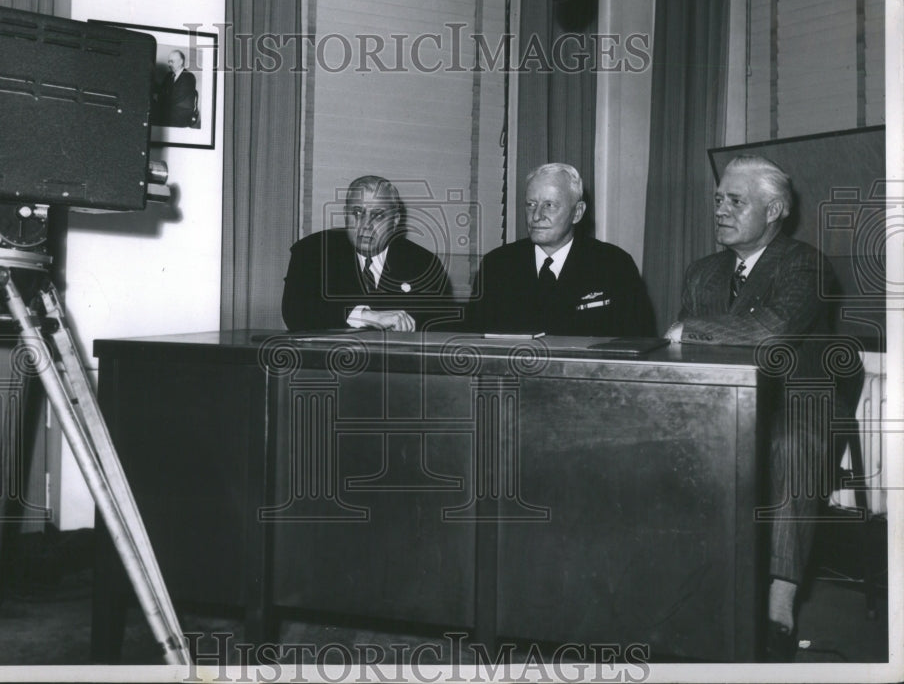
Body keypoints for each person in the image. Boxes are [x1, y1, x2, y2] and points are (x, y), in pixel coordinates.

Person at [664, 154, 850, 661]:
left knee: (789, 447)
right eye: (718, 199)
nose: (720, 209)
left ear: (773, 211)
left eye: (735, 201)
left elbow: (772, 332)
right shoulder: (702, 272)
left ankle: (779, 607)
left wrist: (693, 328)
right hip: (724, 403)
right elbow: (679, 349)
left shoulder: (805, 263)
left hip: (797, 402)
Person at [468, 162, 654, 336]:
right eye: (531, 204)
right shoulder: (497, 265)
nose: (536, 216)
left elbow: (637, 343)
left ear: (577, 213)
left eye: (549, 205)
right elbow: (473, 342)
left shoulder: (614, 265)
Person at [282, 175, 454, 331]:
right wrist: (365, 316)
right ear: (345, 215)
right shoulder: (312, 252)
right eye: (357, 213)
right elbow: (295, 314)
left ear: (394, 221)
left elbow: (442, 324)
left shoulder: (423, 263)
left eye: (378, 216)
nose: (366, 225)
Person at [154, 49, 197, 127]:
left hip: (181, 115)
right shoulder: (169, 75)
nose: (169, 64)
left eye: (172, 61)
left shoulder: (189, 77)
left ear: (180, 62)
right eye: (169, 61)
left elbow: (175, 97)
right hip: (168, 111)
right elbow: (160, 91)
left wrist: (160, 97)